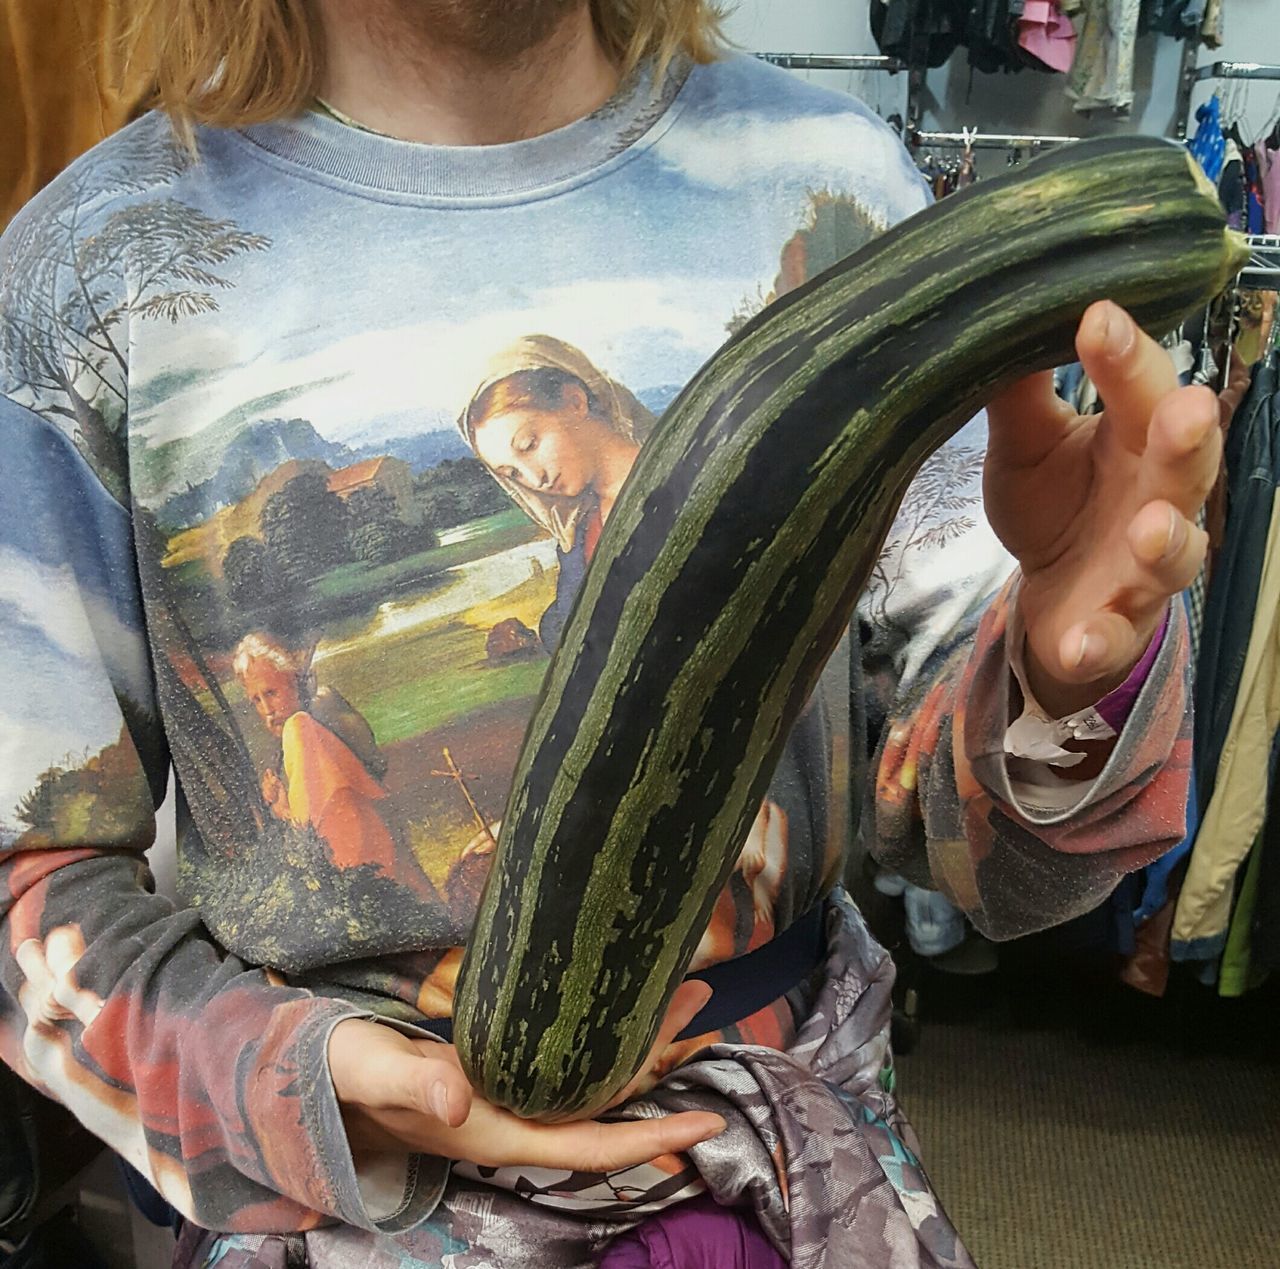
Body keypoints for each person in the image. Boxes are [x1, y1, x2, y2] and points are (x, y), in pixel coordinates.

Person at [0, 2, 1222, 1265]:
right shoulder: (87, 270)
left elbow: (1001, 873)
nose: (524, 481)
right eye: (501, 467)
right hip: (358, 1212)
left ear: (579, 398)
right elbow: (18, 880)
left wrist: (1060, 676)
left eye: (526, 446)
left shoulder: (833, 191)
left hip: (777, 1176)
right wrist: (283, 1074)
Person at [460, 334, 656, 650]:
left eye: (529, 445)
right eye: (512, 473)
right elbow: (570, 629)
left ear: (574, 402)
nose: (535, 478)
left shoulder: (679, 476)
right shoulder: (580, 532)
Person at [233, 633, 398, 876]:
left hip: (360, 856)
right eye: (256, 700)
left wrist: (284, 812)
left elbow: (307, 836)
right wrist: (284, 807)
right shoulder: (309, 727)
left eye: (271, 693)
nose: (267, 710)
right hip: (367, 851)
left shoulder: (299, 728)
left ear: (292, 682)